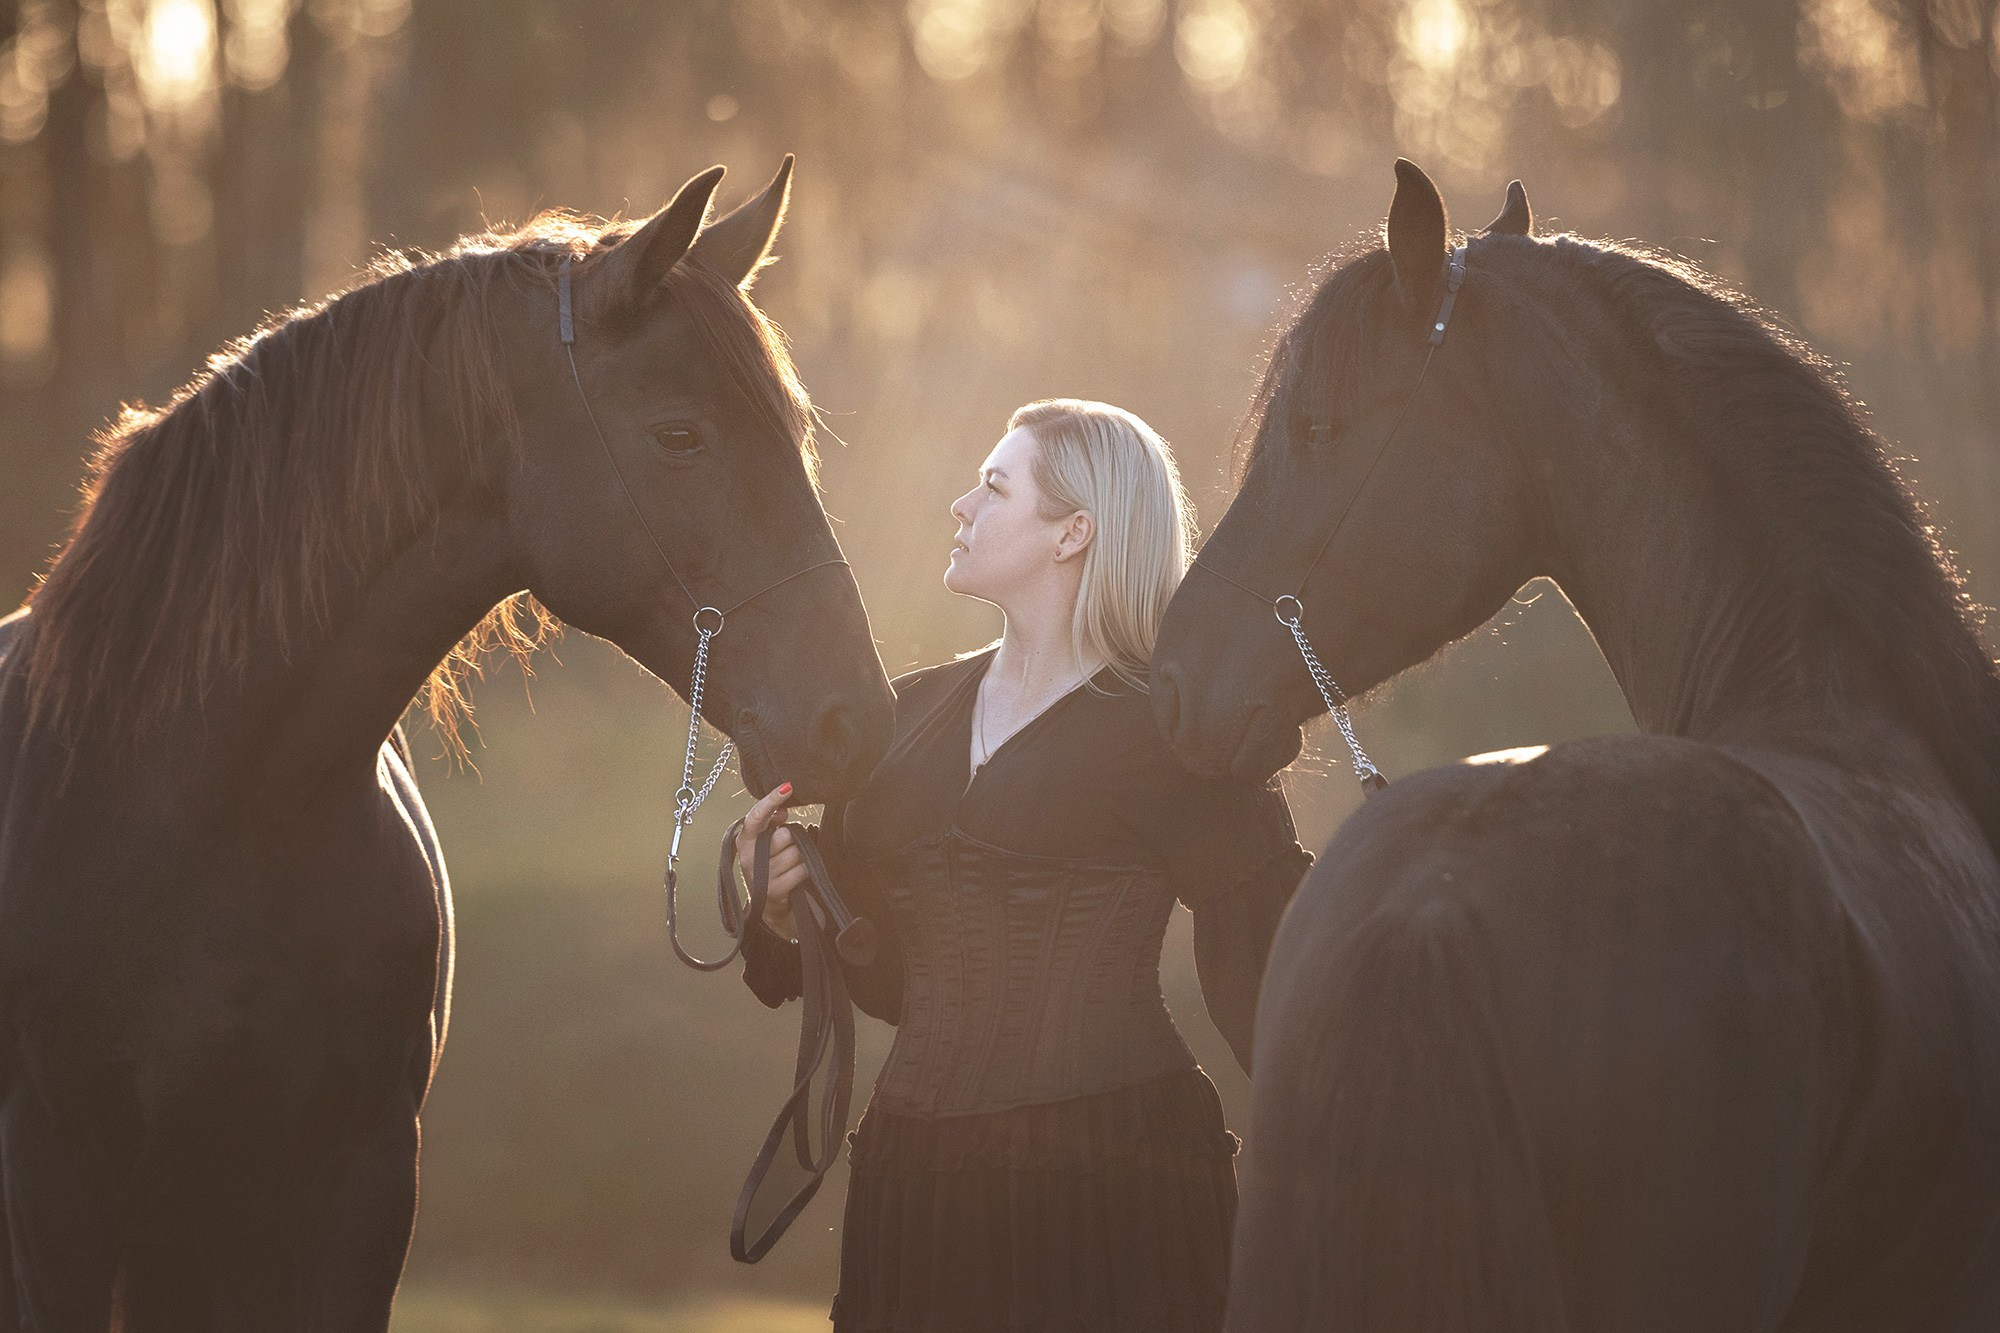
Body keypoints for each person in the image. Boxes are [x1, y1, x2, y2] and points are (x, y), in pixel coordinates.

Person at [737, 398, 1310, 1332]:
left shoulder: (1171, 734)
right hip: (915, 1179)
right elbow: (888, 976)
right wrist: (773, 907)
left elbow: (1281, 975)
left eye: (995, 487)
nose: (960, 506)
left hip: (1117, 1180)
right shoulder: (902, 720)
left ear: (1072, 532)